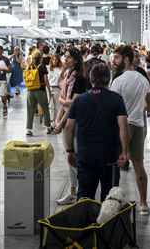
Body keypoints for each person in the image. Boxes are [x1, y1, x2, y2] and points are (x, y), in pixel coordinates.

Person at [65, 63, 128, 201]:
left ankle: (84, 215)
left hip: (86, 155)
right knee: (110, 197)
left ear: (90, 78)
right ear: (109, 79)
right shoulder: (116, 99)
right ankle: (107, 216)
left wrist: (70, 150)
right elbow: (123, 125)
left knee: (85, 196)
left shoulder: (79, 100)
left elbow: (69, 127)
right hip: (110, 155)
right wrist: (124, 152)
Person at [110, 45, 150, 216]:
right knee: (138, 165)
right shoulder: (143, 80)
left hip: (122, 126)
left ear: (126, 59)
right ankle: (143, 204)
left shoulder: (118, 81)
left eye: (117, 58)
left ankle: (112, 202)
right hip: (138, 126)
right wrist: (138, 108)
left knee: (115, 164)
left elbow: (112, 107)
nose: (114, 61)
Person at [53, 47, 88, 204]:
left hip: (74, 121)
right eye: (65, 56)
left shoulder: (79, 79)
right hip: (65, 117)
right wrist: (65, 102)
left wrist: (60, 123)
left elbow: (74, 104)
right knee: (70, 158)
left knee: (75, 157)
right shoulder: (67, 76)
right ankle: (73, 192)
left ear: (75, 60)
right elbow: (62, 99)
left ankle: (83, 192)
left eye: (68, 57)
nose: (65, 60)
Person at [26, 51, 53, 136]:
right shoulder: (43, 66)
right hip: (40, 90)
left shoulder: (29, 67)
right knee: (45, 108)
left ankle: (28, 130)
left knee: (30, 110)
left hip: (30, 91)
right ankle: (48, 128)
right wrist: (49, 90)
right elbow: (46, 80)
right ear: (41, 59)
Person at [47, 53, 63, 128]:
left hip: (57, 88)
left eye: (56, 59)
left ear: (58, 60)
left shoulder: (60, 69)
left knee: (57, 106)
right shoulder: (48, 68)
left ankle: (56, 122)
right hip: (49, 88)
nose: (54, 61)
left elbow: (61, 79)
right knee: (51, 106)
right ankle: (51, 122)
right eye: (53, 59)